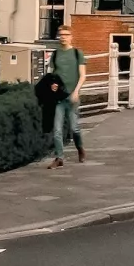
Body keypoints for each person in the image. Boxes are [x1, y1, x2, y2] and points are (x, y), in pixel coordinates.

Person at [48, 24, 87, 167]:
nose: (63, 37)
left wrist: (76, 91)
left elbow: (83, 75)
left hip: (72, 96)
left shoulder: (77, 53)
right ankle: (59, 158)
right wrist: (53, 84)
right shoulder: (55, 54)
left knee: (74, 128)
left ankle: (80, 149)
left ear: (71, 37)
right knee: (57, 129)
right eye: (61, 35)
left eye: (66, 35)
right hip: (59, 98)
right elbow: (53, 74)